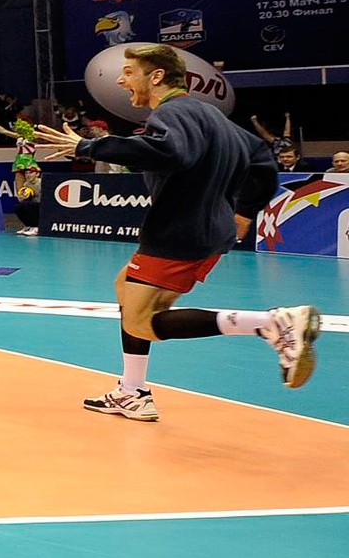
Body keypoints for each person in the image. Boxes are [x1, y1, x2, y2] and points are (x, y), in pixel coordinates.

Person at [36, 45, 316, 421]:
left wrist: (91, 145)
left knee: (141, 321)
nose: (121, 80)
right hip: (206, 231)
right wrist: (244, 212)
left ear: (156, 77)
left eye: (129, 72)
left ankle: (272, 324)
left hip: (178, 233)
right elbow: (262, 159)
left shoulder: (171, 113)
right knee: (126, 288)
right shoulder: (211, 116)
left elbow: (171, 152)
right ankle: (132, 391)